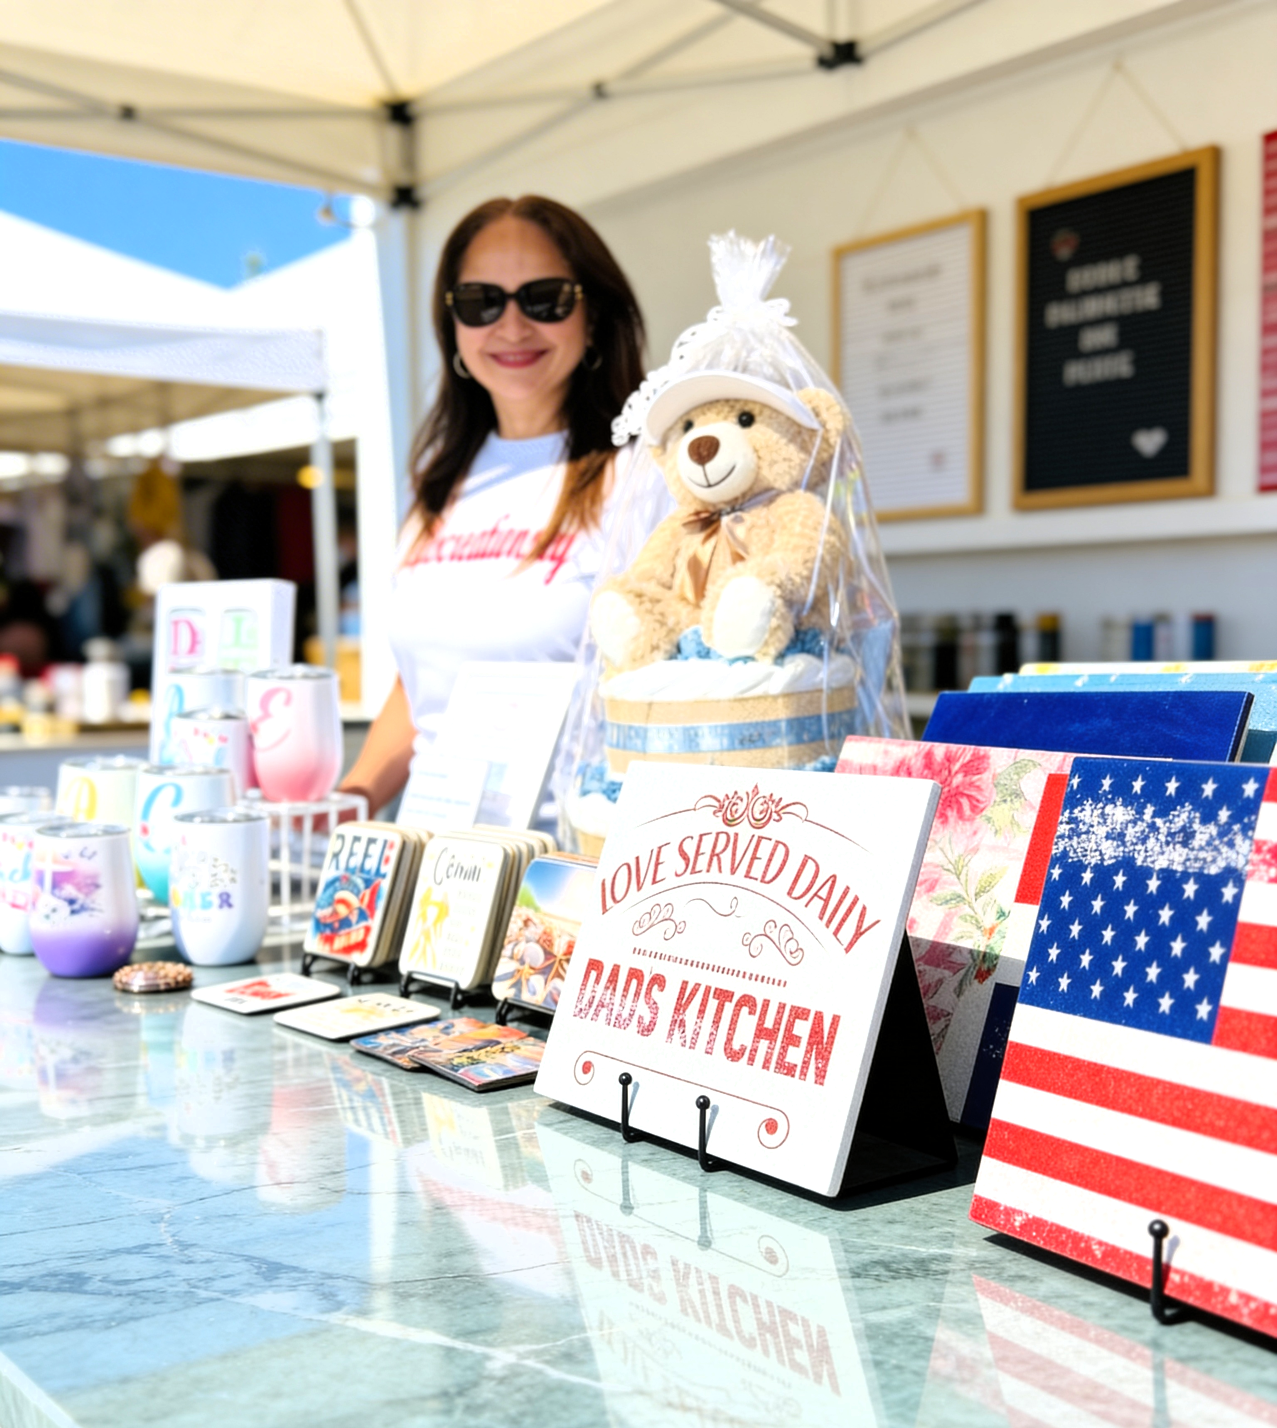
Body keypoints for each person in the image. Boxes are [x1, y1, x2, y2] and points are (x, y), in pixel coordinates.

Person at [339, 195, 646, 815]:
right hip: (439, 876)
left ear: (594, 314)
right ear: (451, 323)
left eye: (545, 298)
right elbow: (423, 686)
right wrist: (352, 796)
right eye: (481, 302)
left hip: (569, 873)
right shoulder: (436, 484)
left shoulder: (644, 474)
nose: (511, 327)